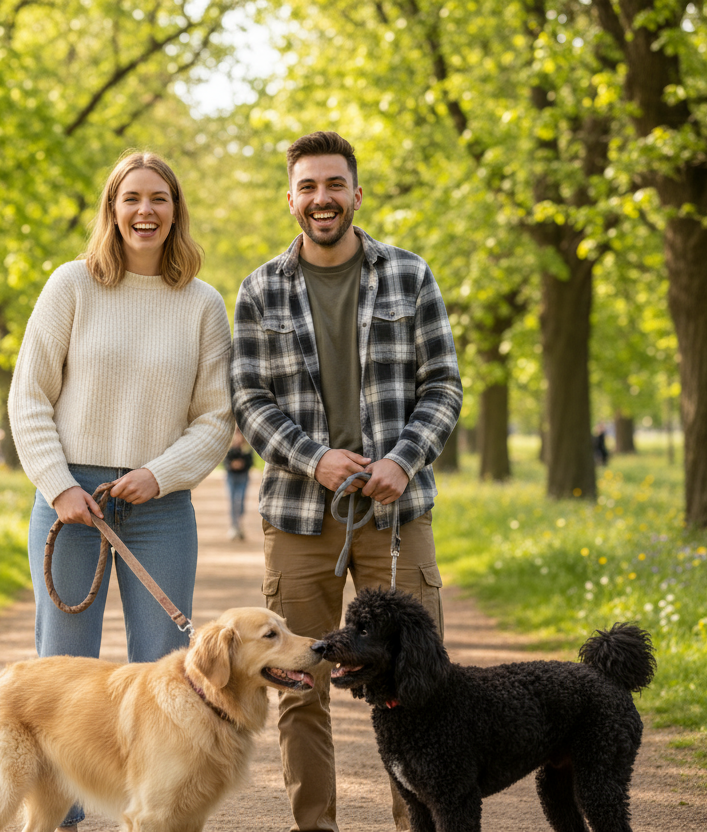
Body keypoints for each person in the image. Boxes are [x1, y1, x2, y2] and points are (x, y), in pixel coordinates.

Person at [230, 131, 463, 832]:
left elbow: (444, 384)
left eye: (334, 185)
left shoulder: (409, 275)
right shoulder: (260, 289)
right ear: (291, 199)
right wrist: (313, 456)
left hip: (396, 512)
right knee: (301, 686)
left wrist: (402, 459)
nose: (321, 199)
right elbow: (248, 398)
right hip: (299, 516)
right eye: (307, 187)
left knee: (418, 685)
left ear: (356, 194)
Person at [8, 150, 234, 830]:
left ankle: (155, 814)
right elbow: (29, 398)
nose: (145, 210)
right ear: (112, 209)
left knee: (171, 674)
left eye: (159, 198)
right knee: (61, 677)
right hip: (71, 504)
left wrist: (157, 474)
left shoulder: (202, 304)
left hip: (159, 506)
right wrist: (58, 486)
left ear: (176, 210)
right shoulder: (71, 286)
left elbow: (216, 418)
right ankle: (60, 821)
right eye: (131, 198)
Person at [223, 427, 254, 541]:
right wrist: (233, 465)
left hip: (243, 478)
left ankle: (239, 524)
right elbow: (226, 463)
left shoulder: (246, 450)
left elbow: (250, 463)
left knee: (240, 501)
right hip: (231, 478)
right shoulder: (229, 449)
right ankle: (234, 526)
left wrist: (241, 464)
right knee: (232, 501)